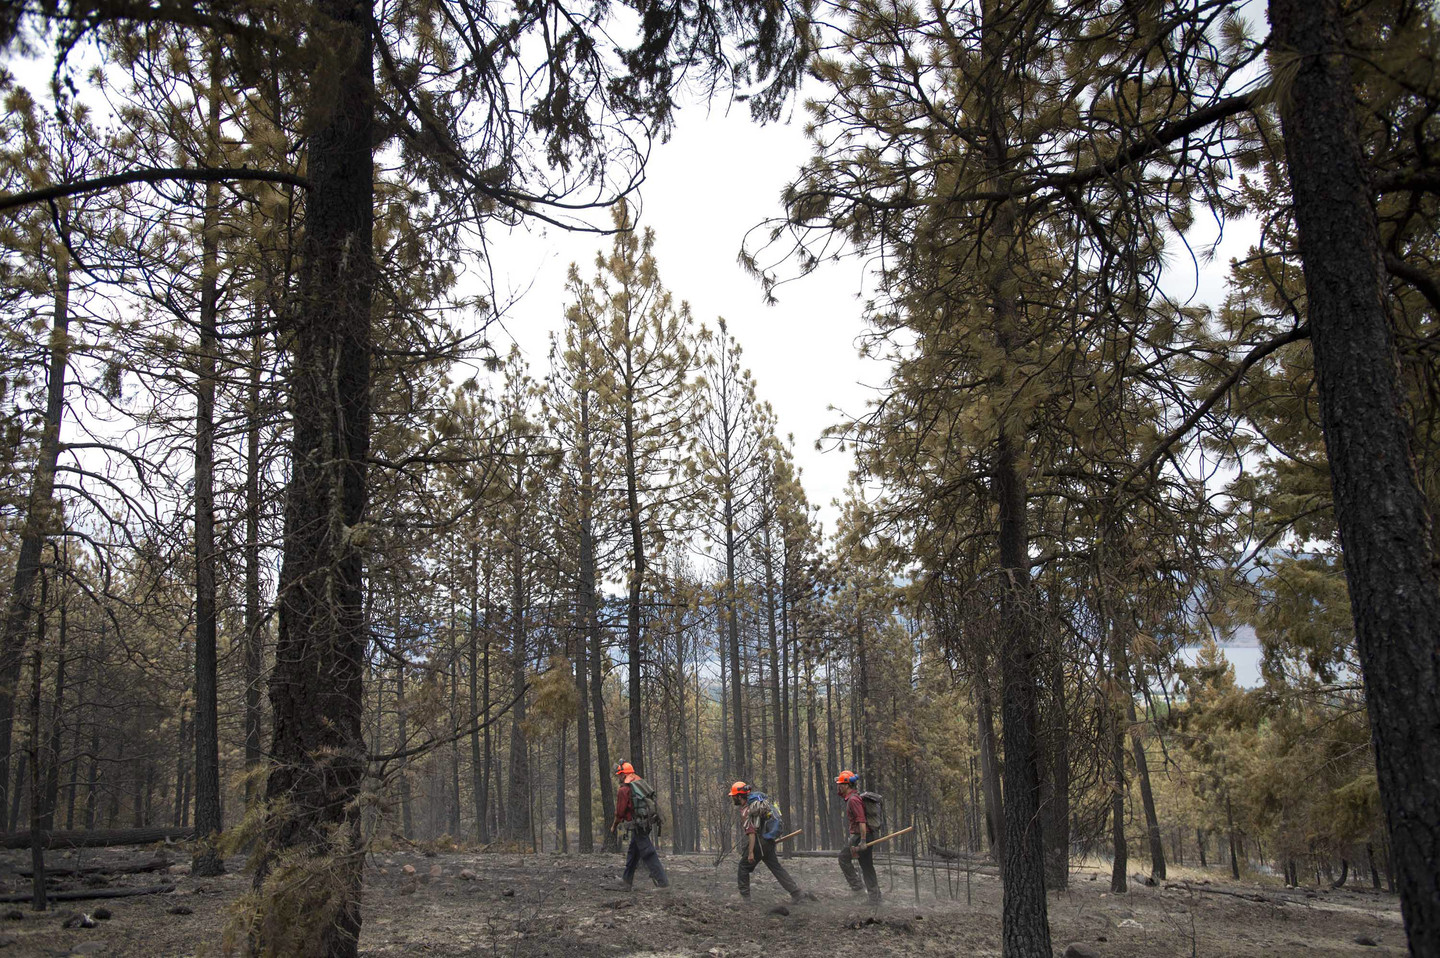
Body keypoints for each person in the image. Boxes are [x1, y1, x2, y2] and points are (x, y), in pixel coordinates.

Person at [730, 781, 803, 903]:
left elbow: (752, 833)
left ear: (739, 796)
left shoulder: (747, 810)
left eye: (733, 796)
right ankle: (797, 893)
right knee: (776, 868)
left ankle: (744, 898)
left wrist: (751, 852)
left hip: (759, 843)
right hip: (768, 841)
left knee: (743, 867)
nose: (733, 799)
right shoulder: (759, 805)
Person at [610, 760, 668, 890]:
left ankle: (663, 883)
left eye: (619, 775)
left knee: (648, 852)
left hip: (638, 825)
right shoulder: (639, 784)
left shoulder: (624, 790)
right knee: (633, 852)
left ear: (623, 774)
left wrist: (614, 826)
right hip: (645, 823)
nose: (618, 777)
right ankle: (626, 881)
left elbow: (619, 813)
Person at [836, 770, 881, 903]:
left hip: (861, 836)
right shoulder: (853, 798)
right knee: (867, 866)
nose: (839, 787)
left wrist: (862, 841)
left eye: (841, 784)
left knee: (843, 858)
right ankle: (875, 897)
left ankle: (858, 888)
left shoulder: (853, 800)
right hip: (862, 836)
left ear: (847, 785)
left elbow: (862, 821)